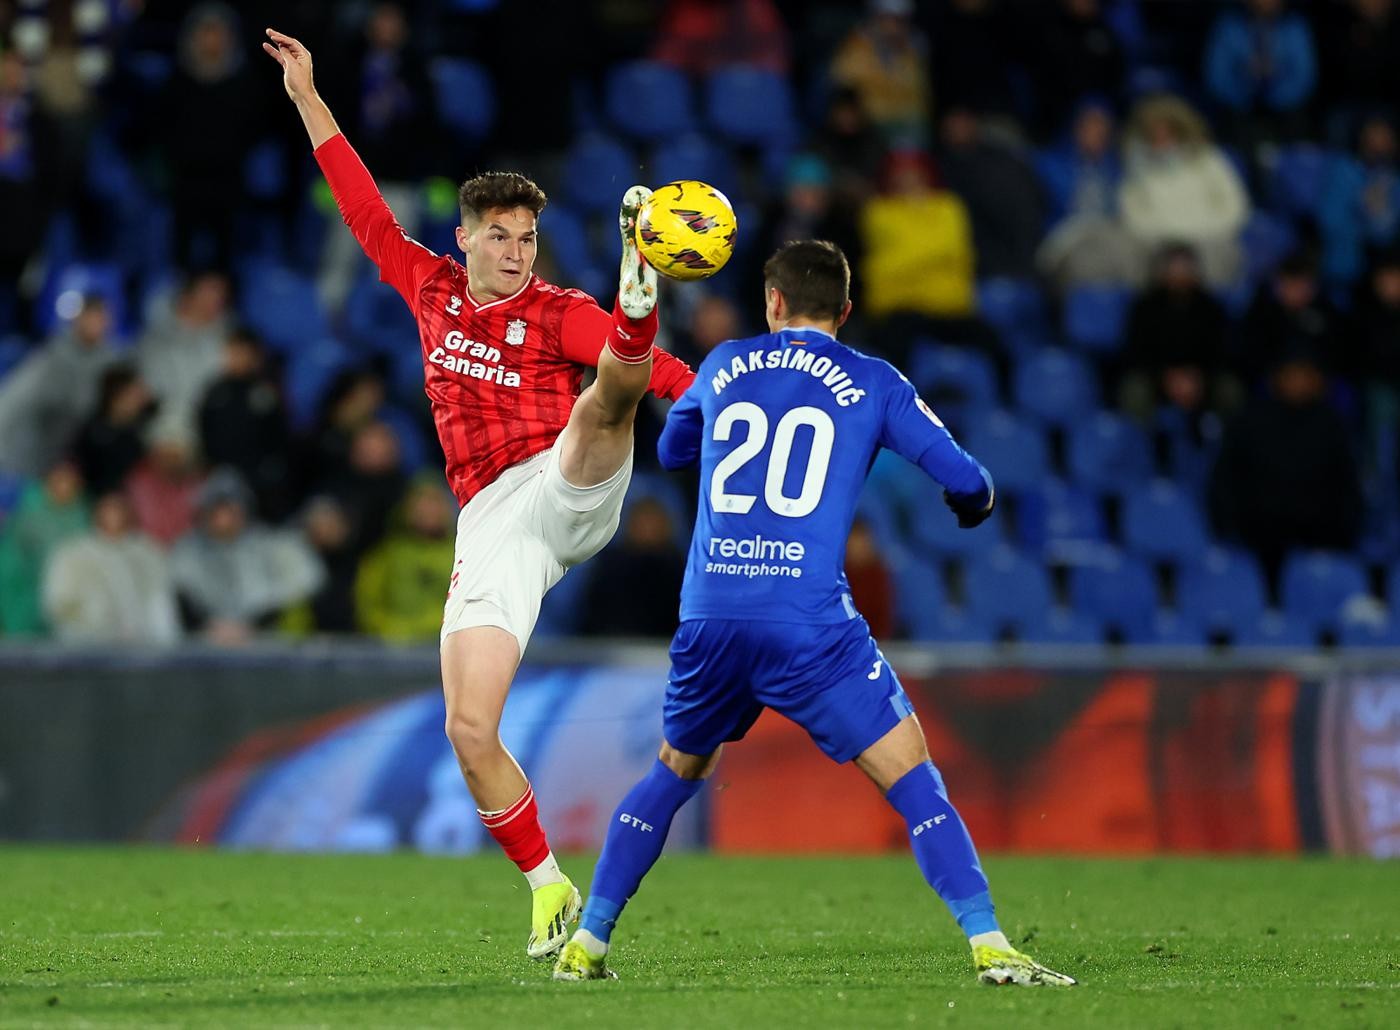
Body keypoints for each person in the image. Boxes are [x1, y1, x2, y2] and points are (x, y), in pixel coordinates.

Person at [262, 27, 694, 959]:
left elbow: (669, 378)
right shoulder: (431, 289)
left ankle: (638, 289)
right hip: (495, 522)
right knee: (468, 728)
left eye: (527, 236)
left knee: (604, 403)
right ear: (464, 238)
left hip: (567, 485)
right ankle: (547, 889)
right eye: (497, 235)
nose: (514, 249)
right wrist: (307, 94)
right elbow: (363, 210)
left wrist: (714, 406)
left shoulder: (554, 309)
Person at [553, 241, 1074, 988]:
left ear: (772, 303)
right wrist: (973, 502)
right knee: (913, 778)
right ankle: (990, 944)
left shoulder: (728, 362)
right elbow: (967, 479)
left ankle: (590, 943)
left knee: (674, 772)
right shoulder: (874, 381)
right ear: (846, 310)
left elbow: (672, 449)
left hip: (711, 614)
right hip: (808, 623)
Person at [42, 492, 180, 646]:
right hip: (89, 650)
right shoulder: (72, 555)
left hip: (143, 650)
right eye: (108, 510)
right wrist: (94, 620)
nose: (113, 516)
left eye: (118, 509)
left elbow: (160, 606)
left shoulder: (148, 553)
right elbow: (58, 605)